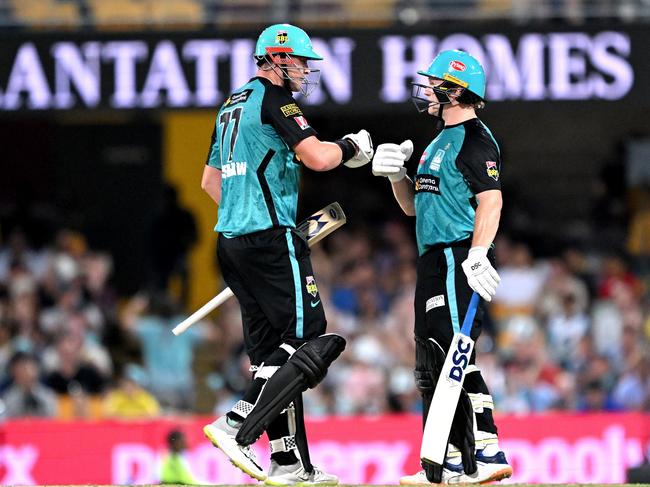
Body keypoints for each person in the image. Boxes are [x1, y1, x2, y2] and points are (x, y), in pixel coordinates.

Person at [200, 23, 373, 486]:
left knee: (273, 359)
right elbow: (318, 157)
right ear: (276, 59)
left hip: (232, 242)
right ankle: (238, 421)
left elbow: (211, 183)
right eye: (299, 61)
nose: (304, 70)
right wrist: (352, 147)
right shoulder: (276, 100)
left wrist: (245, 214)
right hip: (272, 239)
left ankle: (289, 460)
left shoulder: (229, 106)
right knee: (306, 336)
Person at [371, 49, 512, 484]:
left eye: (435, 83)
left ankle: (487, 451)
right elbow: (415, 208)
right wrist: (396, 176)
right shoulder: (437, 140)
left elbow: (492, 200)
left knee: (456, 353)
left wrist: (476, 252)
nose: (427, 89)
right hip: (433, 257)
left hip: (457, 256)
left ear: (456, 91)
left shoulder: (475, 140)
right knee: (432, 362)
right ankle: (445, 461)